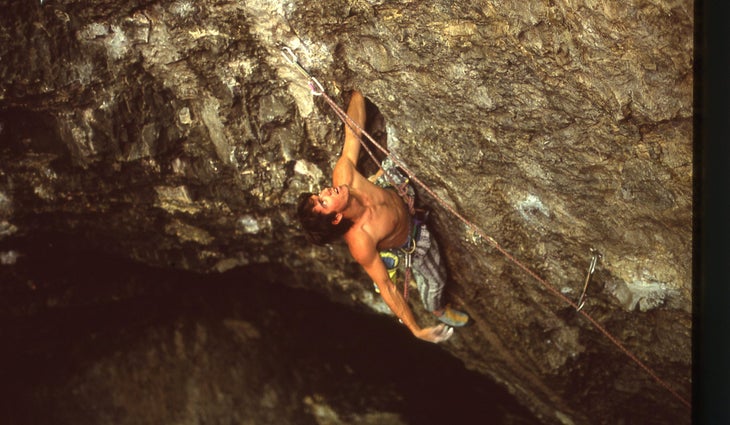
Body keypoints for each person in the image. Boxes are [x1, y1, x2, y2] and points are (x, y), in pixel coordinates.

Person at [296, 90, 468, 343]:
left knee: (407, 146)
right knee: (435, 281)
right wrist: (416, 329)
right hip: (411, 238)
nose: (325, 190)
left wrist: (359, 91)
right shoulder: (361, 242)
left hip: (395, 189)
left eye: (318, 194)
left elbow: (352, 133)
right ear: (335, 218)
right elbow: (388, 288)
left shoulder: (344, 176)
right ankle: (438, 309)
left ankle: (386, 229)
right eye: (323, 201)